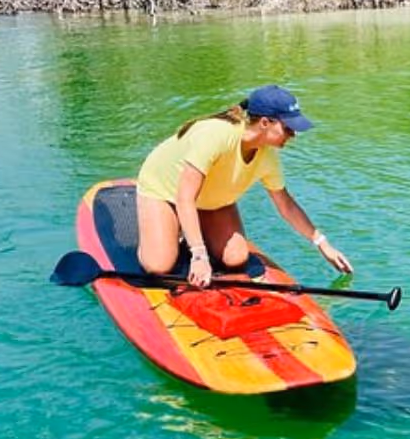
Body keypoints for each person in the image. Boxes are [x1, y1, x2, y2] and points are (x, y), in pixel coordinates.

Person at [135, 84, 354, 288]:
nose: (293, 136)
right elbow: (185, 198)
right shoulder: (216, 135)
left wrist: (322, 243)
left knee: (236, 258)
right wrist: (199, 255)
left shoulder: (268, 157)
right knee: (159, 266)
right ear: (265, 123)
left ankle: (190, 229)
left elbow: (285, 205)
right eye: (288, 129)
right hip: (165, 191)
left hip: (209, 200)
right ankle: (173, 228)